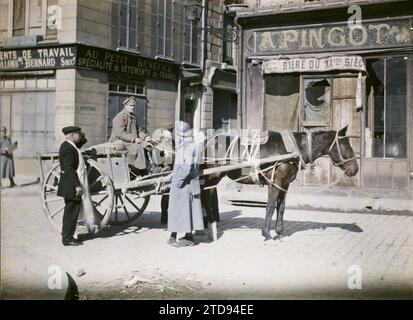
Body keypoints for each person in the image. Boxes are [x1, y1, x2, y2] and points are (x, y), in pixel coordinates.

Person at [167, 121, 204, 247]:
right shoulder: (193, 145)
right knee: (187, 209)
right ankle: (175, 235)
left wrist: (178, 182)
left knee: (182, 209)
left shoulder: (186, 147)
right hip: (190, 182)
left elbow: (186, 168)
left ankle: (188, 238)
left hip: (184, 183)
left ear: (180, 135)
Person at [108, 96, 157, 174]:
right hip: (119, 142)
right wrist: (134, 139)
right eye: (131, 106)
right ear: (125, 106)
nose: (133, 107)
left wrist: (145, 137)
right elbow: (120, 133)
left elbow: (139, 130)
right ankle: (146, 168)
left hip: (129, 141)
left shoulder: (133, 117)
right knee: (139, 147)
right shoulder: (120, 117)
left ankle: (153, 166)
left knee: (148, 145)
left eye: (134, 105)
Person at [57, 126, 87, 246]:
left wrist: (82, 137)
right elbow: (69, 169)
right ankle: (67, 239)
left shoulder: (71, 146)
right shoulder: (68, 148)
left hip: (70, 184)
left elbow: (83, 142)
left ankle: (68, 236)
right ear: (72, 136)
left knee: (71, 211)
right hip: (71, 185)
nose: (80, 136)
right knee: (71, 212)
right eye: (78, 134)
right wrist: (77, 186)